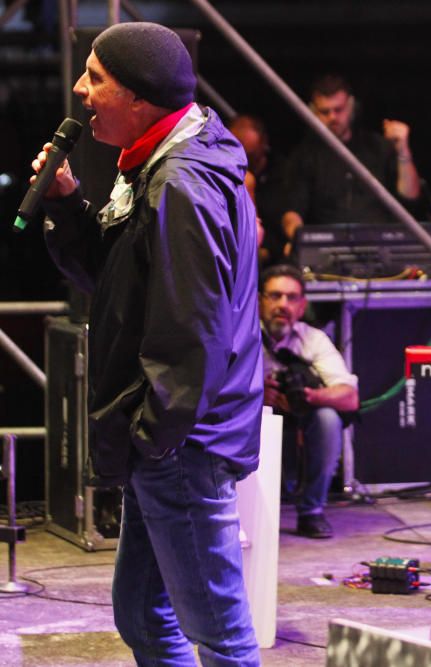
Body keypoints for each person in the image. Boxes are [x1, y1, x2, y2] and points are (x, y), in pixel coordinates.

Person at [33, 22, 262, 665]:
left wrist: (152, 438)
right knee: (141, 615)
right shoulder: (156, 162)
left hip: (183, 440)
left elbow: (193, 329)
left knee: (219, 634)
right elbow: (117, 284)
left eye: (96, 78)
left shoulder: (180, 185)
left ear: (140, 97)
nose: (80, 90)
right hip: (166, 437)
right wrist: (67, 201)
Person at [259, 264, 359, 538]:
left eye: (291, 298)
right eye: (275, 296)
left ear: (302, 306)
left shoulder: (313, 339)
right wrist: (255, 393)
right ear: (259, 300)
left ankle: (311, 511)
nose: (283, 305)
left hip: (300, 412)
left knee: (327, 418)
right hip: (251, 414)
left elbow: (350, 397)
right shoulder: (243, 334)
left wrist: (308, 396)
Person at [280, 74, 421, 256]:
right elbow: (292, 211)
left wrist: (403, 151)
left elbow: (411, 198)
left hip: (382, 248)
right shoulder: (305, 155)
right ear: (313, 111)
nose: (333, 117)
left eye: (339, 110)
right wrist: (299, 239)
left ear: (352, 105)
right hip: (328, 253)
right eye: (325, 112)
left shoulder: (379, 147)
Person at [227, 112, 286, 265]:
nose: (244, 163)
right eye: (238, 155)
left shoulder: (283, 174)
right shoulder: (235, 179)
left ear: (264, 144)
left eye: (251, 156)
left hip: (276, 256)